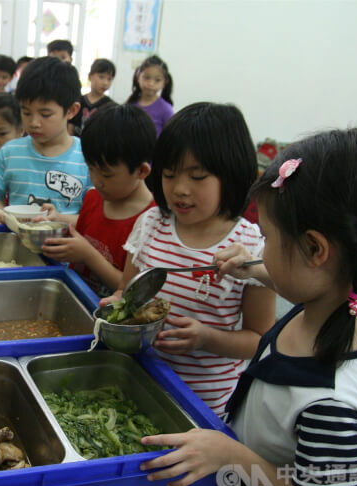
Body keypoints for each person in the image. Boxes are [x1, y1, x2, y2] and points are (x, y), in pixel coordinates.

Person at [141, 128, 357, 486]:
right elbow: (296, 279)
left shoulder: (330, 402)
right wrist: (250, 267)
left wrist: (235, 457)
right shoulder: (337, 303)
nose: (260, 247)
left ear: (316, 249)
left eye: (266, 238)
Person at [101, 102, 275, 416]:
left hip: (203, 401)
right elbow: (127, 290)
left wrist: (207, 338)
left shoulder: (248, 246)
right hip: (140, 380)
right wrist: (115, 305)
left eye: (197, 177)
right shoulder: (152, 224)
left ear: (231, 175)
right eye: (169, 175)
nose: (180, 189)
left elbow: (259, 339)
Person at [41, 104, 156, 297]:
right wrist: (57, 218)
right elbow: (94, 225)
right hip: (73, 296)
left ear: (141, 171)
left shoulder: (150, 221)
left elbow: (130, 291)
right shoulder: (95, 196)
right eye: (90, 169)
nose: (96, 180)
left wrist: (88, 255)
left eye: (106, 175)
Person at [0, 57, 90, 226]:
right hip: (16, 246)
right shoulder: (10, 152)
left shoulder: (87, 156)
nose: (33, 123)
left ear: (71, 111)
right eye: (26, 113)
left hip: (68, 249)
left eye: (45, 114)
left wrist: (60, 219)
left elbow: (95, 218)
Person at [126, 55, 174, 137]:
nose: (151, 84)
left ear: (165, 82)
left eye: (157, 80)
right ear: (138, 77)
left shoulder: (166, 109)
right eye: (147, 78)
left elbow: (170, 138)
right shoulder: (130, 104)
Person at [68, 58, 116, 137]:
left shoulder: (111, 106)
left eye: (109, 79)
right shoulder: (78, 101)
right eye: (101, 77)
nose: (105, 83)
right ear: (90, 76)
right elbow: (70, 127)